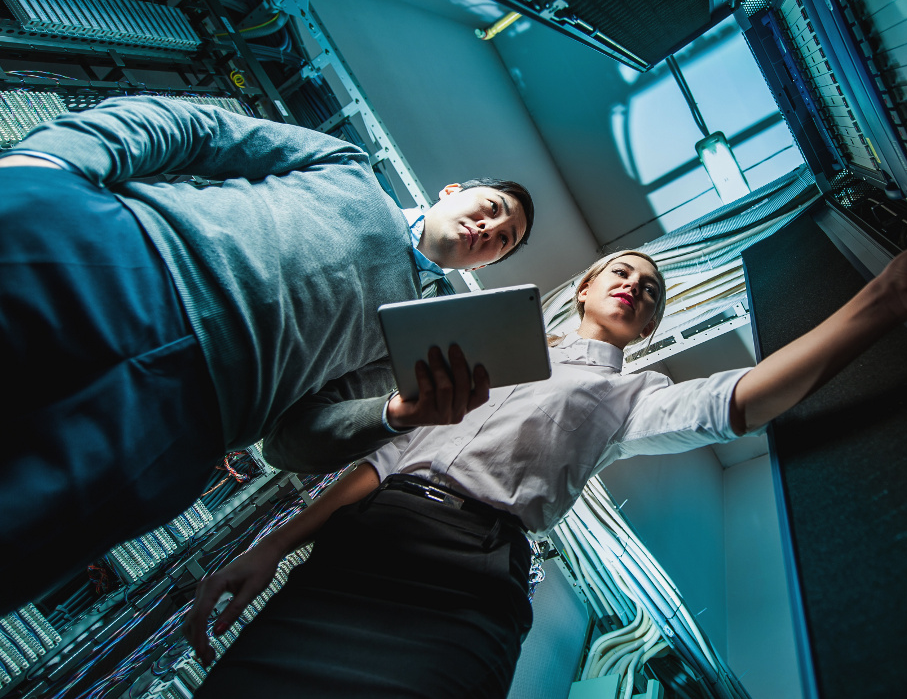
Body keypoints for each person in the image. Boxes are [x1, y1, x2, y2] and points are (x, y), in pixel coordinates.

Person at [183, 199, 907, 698]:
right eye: (624, 272)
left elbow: (743, 400)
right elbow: (380, 467)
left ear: (653, 322)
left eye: (653, 290)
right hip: (357, 561)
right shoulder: (481, 341)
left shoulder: (635, 396)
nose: (637, 283)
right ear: (588, 286)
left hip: (468, 588)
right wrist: (267, 549)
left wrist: (891, 296)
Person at [0, 96, 535, 613]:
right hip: (120, 259)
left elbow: (289, 442)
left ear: (486, 267)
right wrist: (50, 162)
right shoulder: (348, 168)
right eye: (492, 209)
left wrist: (394, 415)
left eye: (502, 241)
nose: (488, 230)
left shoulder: (411, 342)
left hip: (176, 422)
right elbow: (198, 130)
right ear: (452, 191)